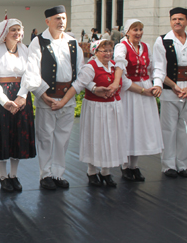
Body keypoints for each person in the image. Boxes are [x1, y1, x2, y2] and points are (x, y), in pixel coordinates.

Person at [52, 40, 155, 187]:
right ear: (96, 52)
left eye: (109, 50)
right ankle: (92, 171)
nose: (107, 53)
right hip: (96, 108)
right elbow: (77, 86)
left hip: (114, 108)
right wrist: (62, 102)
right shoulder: (90, 67)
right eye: (103, 50)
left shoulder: (115, 67)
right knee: (95, 139)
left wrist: (145, 91)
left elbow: (126, 83)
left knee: (112, 139)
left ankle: (106, 172)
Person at [21, 5, 84, 190]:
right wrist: (43, 95)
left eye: (64, 18)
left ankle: (58, 174)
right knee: (46, 137)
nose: (61, 22)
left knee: (63, 138)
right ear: (47, 21)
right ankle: (46, 174)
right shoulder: (38, 42)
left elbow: (80, 71)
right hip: (47, 98)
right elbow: (32, 70)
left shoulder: (73, 43)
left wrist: (69, 95)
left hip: (68, 97)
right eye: (57, 18)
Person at [0, 18, 35, 192]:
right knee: (2, 135)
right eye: (13, 30)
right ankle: (3, 176)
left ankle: (14, 175)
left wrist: (22, 96)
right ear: (4, 32)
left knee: (18, 135)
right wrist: (4, 101)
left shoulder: (24, 49)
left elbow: (31, 74)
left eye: (19, 29)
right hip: (2, 96)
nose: (17, 33)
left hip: (21, 95)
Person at [114, 19, 163, 181]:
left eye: (141, 29)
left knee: (141, 128)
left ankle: (134, 165)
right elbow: (122, 74)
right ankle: (125, 166)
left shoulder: (146, 47)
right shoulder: (122, 47)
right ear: (127, 31)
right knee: (129, 126)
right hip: (131, 92)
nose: (138, 33)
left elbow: (155, 68)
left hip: (146, 89)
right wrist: (142, 90)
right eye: (135, 29)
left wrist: (156, 85)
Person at [152, 7, 187, 178]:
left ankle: (183, 164)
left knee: (184, 129)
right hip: (170, 88)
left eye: (180, 19)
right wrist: (174, 86)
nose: (177, 22)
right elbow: (158, 68)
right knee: (169, 128)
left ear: (186, 21)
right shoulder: (163, 41)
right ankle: (168, 165)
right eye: (174, 19)